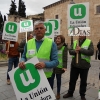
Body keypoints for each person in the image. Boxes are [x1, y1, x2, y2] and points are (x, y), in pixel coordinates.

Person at [18, 20, 59, 87]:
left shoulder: (52, 43)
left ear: (45, 30)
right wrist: (22, 61)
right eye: (36, 28)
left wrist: (45, 64)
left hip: (46, 77)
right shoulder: (28, 43)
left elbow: (56, 61)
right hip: (31, 77)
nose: (39, 30)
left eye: (41, 28)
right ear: (34, 31)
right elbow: (24, 56)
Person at [63, 35, 94, 100]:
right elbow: (70, 51)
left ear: (84, 35)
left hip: (84, 66)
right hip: (74, 65)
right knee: (72, 80)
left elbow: (91, 52)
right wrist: (75, 51)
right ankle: (70, 92)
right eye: (79, 33)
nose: (79, 35)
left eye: (81, 33)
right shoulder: (75, 42)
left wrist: (81, 49)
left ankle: (82, 95)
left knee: (83, 81)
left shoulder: (89, 42)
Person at [51, 35, 68, 99]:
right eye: (56, 38)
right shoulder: (53, 46)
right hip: (52, 65)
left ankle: (58, 93)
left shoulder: (64, 47)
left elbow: (65, 58)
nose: (57, 40)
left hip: (59, 66)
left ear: (62, 40)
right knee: (51, 80)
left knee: (58, 81)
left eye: (59, 39)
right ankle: (51, 92)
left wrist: (64, 66)